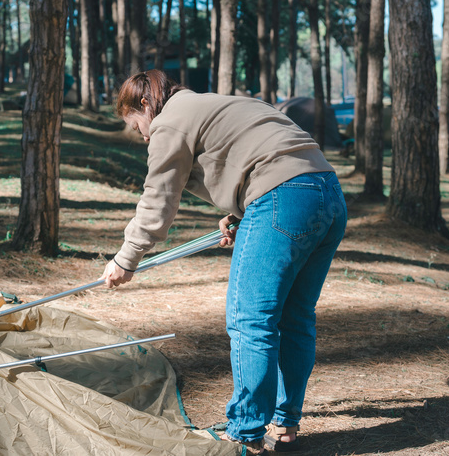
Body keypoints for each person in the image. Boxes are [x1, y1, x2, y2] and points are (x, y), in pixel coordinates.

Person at [101, 70, 347, 455]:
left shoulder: (170, 120)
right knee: (296, 317)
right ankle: (285, 424)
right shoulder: (216, 103)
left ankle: (246, 435)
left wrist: (126, 258)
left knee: (251, 319)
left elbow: (158, 198)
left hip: (282, 196)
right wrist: (244, 212)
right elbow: (262, 152)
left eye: (136, 126)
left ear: (145, 104)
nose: (144, 136)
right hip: (328, 193)